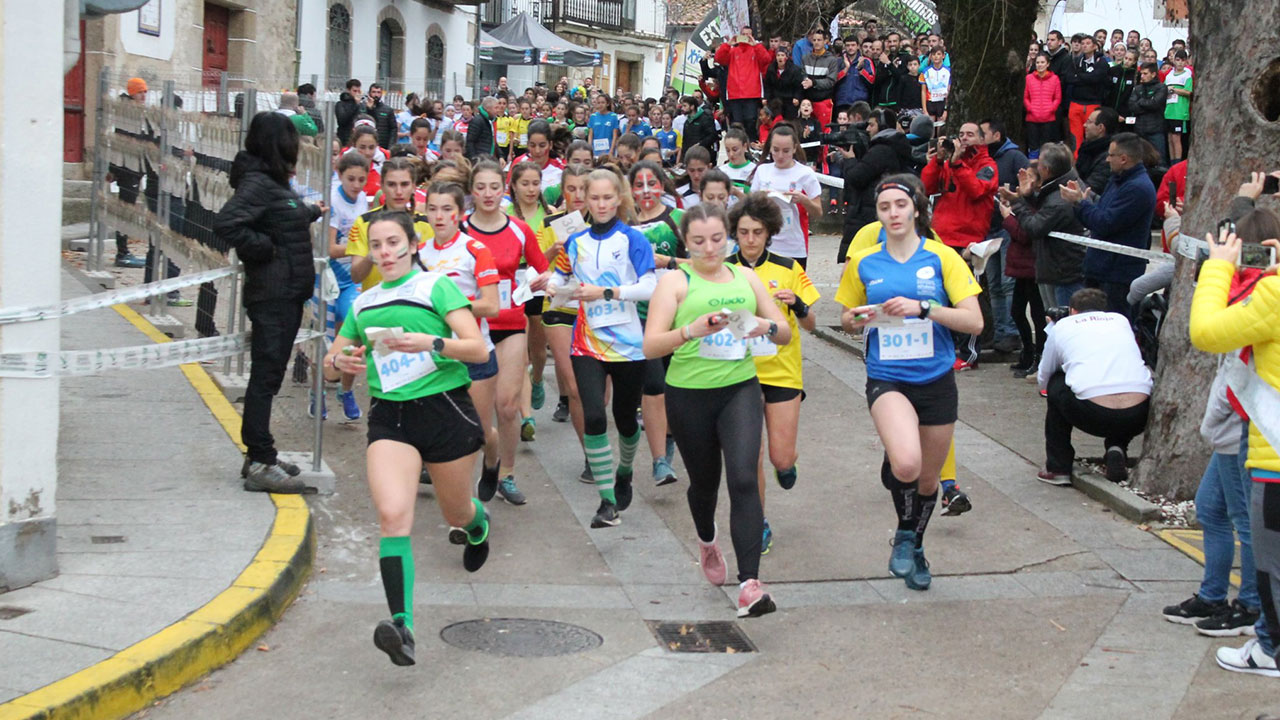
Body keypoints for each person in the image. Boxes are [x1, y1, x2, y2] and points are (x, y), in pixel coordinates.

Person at [322, 210, 492, 667]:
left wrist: (431, 344)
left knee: (456, 512)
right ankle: (402, 625)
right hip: (390, 418)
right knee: (393, 514)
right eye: (377, 246)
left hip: (445, 410)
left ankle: (478, 526)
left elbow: (476, 348)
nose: (386, 253)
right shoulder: (363, 302)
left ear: (412, 245)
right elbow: (329, 361)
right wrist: (341, 365)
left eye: (394, 243)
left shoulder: (435, 286)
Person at [836, 176, 984, 591]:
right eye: (885, 208)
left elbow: (974, 321)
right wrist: (860, 318)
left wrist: (925, 308)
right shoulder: (864, 261)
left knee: (928, 481)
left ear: (916, 209)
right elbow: (846, 321)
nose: (893, 214)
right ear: (878, 215)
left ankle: (913, 544)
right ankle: (905, 536)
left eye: (900, 205)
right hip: (888, 377)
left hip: (936, 379)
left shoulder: (942, 258)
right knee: (906, 463)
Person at [643, 203, 790, 617]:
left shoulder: (745, 276)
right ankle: (707, 540)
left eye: (716, 239)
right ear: (685, 243)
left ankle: (750, 585)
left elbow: (783, 333)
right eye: (698, 241)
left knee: (744, 477)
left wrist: (764, 326)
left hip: (739, 389)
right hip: (689, 395)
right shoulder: (675, 281)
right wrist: (692, 330)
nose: (710, 249)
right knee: (705, 484)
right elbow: (651, 346)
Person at [213, 111, 325, 493]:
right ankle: (260, 459)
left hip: (287, 293)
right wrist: (265, 251)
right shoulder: (259, 183)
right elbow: (228, 224)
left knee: (270, 376)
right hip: (273, 295)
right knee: (265, 378)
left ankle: (262, 453)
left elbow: (282, 215)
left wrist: (309, 212)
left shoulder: (271, 182)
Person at [1190, 214, 1280, 679]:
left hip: (1272, 451)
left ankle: (1269, 646)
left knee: (1268, 561)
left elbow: (1206, 331)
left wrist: (1219, 268)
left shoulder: (1271, 292)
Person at [547, 169, 657, 528]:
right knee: (594, 416)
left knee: (625, 420)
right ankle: (607, 502)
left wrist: (608, 293)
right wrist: (547, 284)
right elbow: (561, 280)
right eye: (594, 198)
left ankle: (625, 471)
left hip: (629, 345)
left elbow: (651, 286)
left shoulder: (632, 240)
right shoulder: (574, 242)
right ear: (585, 201)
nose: (601, 204)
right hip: (587, 343)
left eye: (608, 197)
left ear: (620, 199)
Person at [729, 194, 819, 553]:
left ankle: (786, 466)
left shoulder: (788, 267)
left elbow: (812, 325)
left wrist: (796, 305)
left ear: (770, 233)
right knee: (749, 458)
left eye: (758, 232)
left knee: (780, 457)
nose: (750, 239)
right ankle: (757, 522)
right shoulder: (725, 271)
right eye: (743, 232)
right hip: (739, 373)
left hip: (782, 371)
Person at [461, 160, 549, 505]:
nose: (487, 194)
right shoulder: (460, 230)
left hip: (511, 323)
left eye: (494, 187)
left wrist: (545, 283)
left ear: (504, 189)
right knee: (476, 414)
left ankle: (507, 474)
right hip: (470, 327)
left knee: (508, 405)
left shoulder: (519, 229)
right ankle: (490, 459)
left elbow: (543, 271)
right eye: (480, 187)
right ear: (472, 190)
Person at [416, 170, 501, 502]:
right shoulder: (419, 253)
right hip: (434, 355)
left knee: (477, 432)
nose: (439, 216)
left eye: (446, 209)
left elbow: (492, 306)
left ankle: (492, 461)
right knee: (444, 429)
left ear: (460, 213)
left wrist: (451, 308)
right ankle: (463, 506)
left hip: (474, 353)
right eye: (433, 209)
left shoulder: (476, 250)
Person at [1035, 288, 1151, 485]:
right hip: (1138, 414)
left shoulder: (1062, 326)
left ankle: (1058, 466)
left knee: (1056, 384)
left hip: (1093, 414)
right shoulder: (1120, 321)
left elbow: (1043, 377)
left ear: (1072, 311)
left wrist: (1053, 331)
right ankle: (1117, 447)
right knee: (1119, 377)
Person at [921, 122, 998, 370]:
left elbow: (976, 190)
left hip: (968, 242)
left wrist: (956, 163)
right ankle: (943, 348)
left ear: (982, 140)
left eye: (970, 135)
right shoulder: (951, 162)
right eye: (961, 134)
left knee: (966, 299)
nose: (964, 139)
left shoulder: (988, 166)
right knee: (938, 296)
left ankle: (969, 354)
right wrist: (937, 161)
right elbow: (926, 188)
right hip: (941, 238)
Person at [630, 161, 685, 487]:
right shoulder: (622, 223)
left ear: (663, 185)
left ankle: (669, 438)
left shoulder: (678, 220)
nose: (647, 190)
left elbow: (700, 265)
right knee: (653, 386)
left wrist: (668, 262)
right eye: (639, 184)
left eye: (653, 183)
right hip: (636, 319)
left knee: (675, 390)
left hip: (677, 318)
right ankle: (659, 460)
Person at [1060, 132, 1157, 317]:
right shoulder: (1118, 180)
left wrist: (1080, 204)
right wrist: (1082, 202)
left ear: (1124, 159)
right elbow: (1102, 213)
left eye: (1111, 155)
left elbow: (1105, 223)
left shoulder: (1137, 188)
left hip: (1117, 275)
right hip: (1101, 269)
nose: (1107, 160)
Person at [326, 151, 372, 422]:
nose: (356, 185)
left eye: (361, 180)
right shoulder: (334, 200)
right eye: (351, 179)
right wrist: (358, 249)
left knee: (354, 337)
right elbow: (329, 249)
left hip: (350, 281)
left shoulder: (363, 200)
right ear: (340, 175)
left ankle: (346, 391)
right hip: (328, 279)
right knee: (324, 339)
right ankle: (317, 392)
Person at [980, 118, 1031, 354]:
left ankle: (1011, 332)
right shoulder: (981, 159)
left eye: (983, 133)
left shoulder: (1014, 157)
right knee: (993, 285)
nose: (980, 138)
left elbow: (1027, 189)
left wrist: (1013, 197)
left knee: (1007, 283)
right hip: (986, 228)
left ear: (997, 135)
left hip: (1007, 227)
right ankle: (1000, 332)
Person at [839, 107, 912, 258]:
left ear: (882, 126)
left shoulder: (882, 150)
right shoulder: (893, 146)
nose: (867, 129)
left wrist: (850, 160)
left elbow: (856, 177)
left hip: (869, 213)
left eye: (871, 125)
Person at [749, 124, 822, 268]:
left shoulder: (805, 173)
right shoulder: (762, 171)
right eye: (776, 150)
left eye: (786, 151)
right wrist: (760, 199)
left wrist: (803, 200)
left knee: (791, 290)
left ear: (795, 148)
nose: (780, 156)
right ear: (769, 147)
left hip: (794, 246)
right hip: (766, 244)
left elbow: (818, 212)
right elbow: (750, 207)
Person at [715, 27, 771, 141]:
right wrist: (728, 44)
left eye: (748, 35)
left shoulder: (756, 50)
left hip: (752, 93)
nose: (745, 37)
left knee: (750, 121)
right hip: (735, 94)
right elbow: (719, 58)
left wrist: (756, 45)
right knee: (737, 123)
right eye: (743, 34)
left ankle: (751, 145)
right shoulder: (732, 51)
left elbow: (766, 59)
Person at [1066, 36, 1108, 152]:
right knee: (1075, 137)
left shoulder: (1101, 62)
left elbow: (1097, 78)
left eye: (1088, 43)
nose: (1084, 45)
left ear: (1095, 46)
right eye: (1083, 43)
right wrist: (1086, 78)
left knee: (1092, 137)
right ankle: (1076, 162)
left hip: (1092, 104)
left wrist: (1079, 77)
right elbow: (1069, 78)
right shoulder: (1075, 61)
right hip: (1076, 103)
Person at [799, 28, 842, 130]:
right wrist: (805, 80)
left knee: (823, 131)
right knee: (806, 131)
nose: (816, 43)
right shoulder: (806, 58)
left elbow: (831, 81)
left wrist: (813, 83)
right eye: (814, 40)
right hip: (808, 101)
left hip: (823, 101)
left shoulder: (831, 60)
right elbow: (802, 74)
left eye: (819, 40)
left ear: (825, 41)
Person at [1128, 62, 1169, 163]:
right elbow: (1132, 106)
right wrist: (1147, 103)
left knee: (1159, 160)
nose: (1142, 76)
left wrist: (1141, 102)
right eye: (1141, 73)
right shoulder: (1138, 88)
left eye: (1145, 74)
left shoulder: (1162, 87)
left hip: (1156, 130)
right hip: (1139, 129)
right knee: (1139, 160)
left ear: (1153, 74)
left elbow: (1155, 104)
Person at [1024, 53, 1063, 155]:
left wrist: (1051, 109)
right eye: (1037, 62)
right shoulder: (1028, 78)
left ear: (1048, 64)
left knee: (1046, 146)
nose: (1040, 65)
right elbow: (1025, 97)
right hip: (1032, 118)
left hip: (1048, 118)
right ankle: (1032, 167)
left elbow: (1057, 98)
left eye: (1042, 62)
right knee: (1033, 146)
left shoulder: (1055, 79)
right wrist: (1030, 108)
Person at [1075, 106, 1119, 196]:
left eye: (1089, 122)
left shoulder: (1108, 157)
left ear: (1100, 128)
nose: (1084, 125)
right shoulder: (1088, 148)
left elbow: (1091, 189)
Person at [1164, 50, 1193, 164]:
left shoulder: (1187, 75)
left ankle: (1178, 162)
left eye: (1182, 60)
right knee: (1170, 138)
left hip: (1180, 112)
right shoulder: (1169, 75)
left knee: (1176, 138)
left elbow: (1188, 92)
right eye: (1178, 60)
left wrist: (1174, 90)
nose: (1180, 63)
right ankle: (1172, 162)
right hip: (1169, 110)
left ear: (1186, 62)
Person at [763, 48, 804, 120]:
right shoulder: (771, 69)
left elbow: (798, 86)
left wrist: (797, 97)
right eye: (778, 55)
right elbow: (767, 85)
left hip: (789, 99)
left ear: (787, 57)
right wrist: (766, 97)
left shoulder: (794, 70)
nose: (780, 57)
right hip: (775, 100)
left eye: (782, 55)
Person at [919, 47, 950, 123]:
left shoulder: (948, 71)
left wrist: (946, 109)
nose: (936, 56)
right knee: (930, 128)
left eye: (938, 54)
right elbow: (923, 91)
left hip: (942, 102)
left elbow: (949, 90)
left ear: (943, 56)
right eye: (933, 54)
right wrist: (924, 110)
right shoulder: (926, 71)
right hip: (930, 102)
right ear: (930, 56)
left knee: (940, 127)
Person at [364, 83, 397, 149]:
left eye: (378, 92)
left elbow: (393, 129)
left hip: (383, 145)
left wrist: (391, 146)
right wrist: (369, 109)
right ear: (369, 93)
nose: (376, 95)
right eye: (373, 92)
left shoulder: (388, 110)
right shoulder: (362, 107)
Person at [464, 96, 498, 161]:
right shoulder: (477, 120)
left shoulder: (490, 120)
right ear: (488, 108)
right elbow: (470, 142)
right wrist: (473, 158)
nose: (497, 110)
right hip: (480, 158)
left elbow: (493, 140)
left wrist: (501, 156)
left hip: (487, 157)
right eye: (495, 108)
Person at [587, 93, 620, 157]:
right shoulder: (593, 116)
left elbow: (614, 135)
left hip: (608, 150)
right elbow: (590, 135)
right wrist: (590, 149)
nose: (600, 105)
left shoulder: (613, 116)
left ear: (607, 104)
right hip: (595, 150)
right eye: (598, 103)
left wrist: (611, 151)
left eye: (603, 102)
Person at [335, 78, 362, 145]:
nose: (357, 93)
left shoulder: (361, 104)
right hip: (345, 137)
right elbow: (342, 120)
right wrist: (355, 105)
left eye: (359, 91)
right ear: (348, 90)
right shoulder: (340, 104)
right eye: (354, 91)